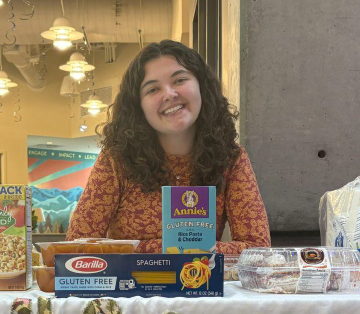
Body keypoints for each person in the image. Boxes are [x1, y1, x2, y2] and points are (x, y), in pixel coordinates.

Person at [66, 40, 270, 254]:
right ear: (139, 106)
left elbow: (257, 251)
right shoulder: (116, 160)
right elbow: (75, 247)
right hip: (134, 286)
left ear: (202, 86)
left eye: (180, 80)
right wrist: (183, 251)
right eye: (153, 89)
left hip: (201, 285)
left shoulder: (231, 159)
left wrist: (136, 250)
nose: (169, 94)